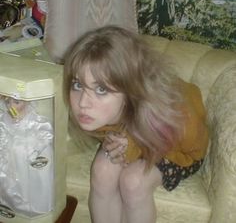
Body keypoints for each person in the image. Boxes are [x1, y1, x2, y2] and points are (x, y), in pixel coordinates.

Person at [63, 25, 209, 223]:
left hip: (174, 147)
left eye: (101, 90)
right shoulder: (103, 109)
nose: (82, 104)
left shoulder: (173, 117)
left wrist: (134, 146)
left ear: (130, 93)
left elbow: (193, 149)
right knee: (102, 172)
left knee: (134, 181)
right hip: (130, 127)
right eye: (78, 85)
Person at [0, 96, 54, 216]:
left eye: (16, 102)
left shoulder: (36, 121)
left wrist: (34, 151)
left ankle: (33, 207)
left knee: (30, 186)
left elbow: (46, 136)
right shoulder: (4, 118)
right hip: (11, 160)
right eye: (8, 102)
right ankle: (11, 205)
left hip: (29, 160)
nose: (11, 106)